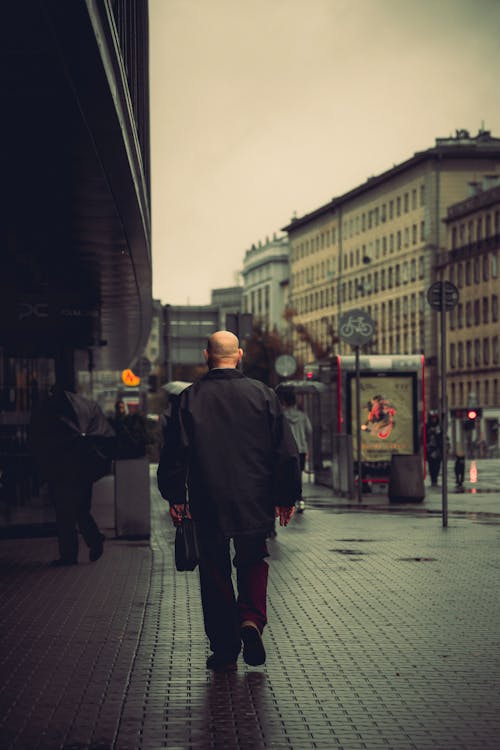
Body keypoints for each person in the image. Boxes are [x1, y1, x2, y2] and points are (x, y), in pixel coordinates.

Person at [157, 331, 301, 673]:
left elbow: (175, 453)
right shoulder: (263, 395)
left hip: (208, 499)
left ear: (207, 355)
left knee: (214, 570)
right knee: (253, 560)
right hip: (255, 498)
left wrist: (176, 496)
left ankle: (224, 646)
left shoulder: (189, 399)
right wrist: (285, 496)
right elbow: (285, 451)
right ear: (239, 356)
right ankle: (251, 620)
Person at [30, 386, 115, 566]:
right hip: (83, 473)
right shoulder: (86, 414)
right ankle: (94, 539)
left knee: (64, 514)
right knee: (81, 510)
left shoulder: (56, 420)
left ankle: (70, 554)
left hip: (63, 473)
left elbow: (46, 444)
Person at [277, 387, 312, 512]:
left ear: (284, 402)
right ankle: (299, 498)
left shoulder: (282, 416)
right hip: (301, 449)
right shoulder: (302, 416)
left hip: (286, 449)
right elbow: (309, 431)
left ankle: (288, 498)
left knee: (286, 473)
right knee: (299, 474)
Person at [426, 410, 443, 487]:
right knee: (431, 465)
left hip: (437, 449)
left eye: (435, 418)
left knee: (437, 465)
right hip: (430, 449)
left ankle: (435, 478)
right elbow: (424, 437)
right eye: (432, 418)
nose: (434, 420)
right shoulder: (427, 427)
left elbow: (441, 437)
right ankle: (433, 478)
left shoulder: (439, 427)